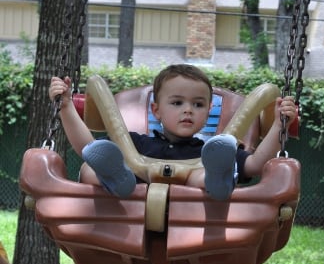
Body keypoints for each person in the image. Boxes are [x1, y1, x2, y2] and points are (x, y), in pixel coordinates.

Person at [48, 64, 298, 200]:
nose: (188, 110)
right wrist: (67, 107)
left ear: (209, 111)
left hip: (194, 210)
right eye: (177, 103)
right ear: (156, 110)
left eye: (198, 104)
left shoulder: (211, 150)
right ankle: (118, 180)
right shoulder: (136, 145)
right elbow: (86, 147)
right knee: (90, 167)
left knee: (209, 170)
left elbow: (255, 165)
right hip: (134, 196)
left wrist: (279, 125)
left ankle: (218, 181)